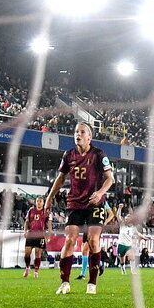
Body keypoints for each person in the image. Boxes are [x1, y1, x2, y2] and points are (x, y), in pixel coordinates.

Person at [45, 123, 114, 295]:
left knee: (93, 240)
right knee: (69, 240)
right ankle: (65, 282)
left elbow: (110, 179)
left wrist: (100, 192)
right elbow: (61, 178)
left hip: (95, 203)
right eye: (76, 131)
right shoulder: (68, 155)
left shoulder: (99, 154)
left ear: (89, 137)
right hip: (74, 203)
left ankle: (92, 283)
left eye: (82, 132)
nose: (78, 134)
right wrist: (49, 197)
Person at [110, 204, 147, 274]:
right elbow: (118, 216)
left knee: (131, 257)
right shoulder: (122, 225)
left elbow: (138, 233)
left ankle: (133, 271)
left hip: (128, 246)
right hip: (121, 245)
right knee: (122, 261)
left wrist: (144, 237)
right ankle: (122, 268)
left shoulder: (133, 228)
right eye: (126, 219)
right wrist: (119, 208)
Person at [22, 196, 50, 279]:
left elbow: (47, 225)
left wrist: (47, 236)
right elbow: (27, 222)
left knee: (38, 253)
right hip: (31, 234)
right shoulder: (31, 210)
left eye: (40, 201)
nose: (39, 202)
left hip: (40, 235)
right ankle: (27, 268)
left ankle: (36, 271)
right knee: (27, 253)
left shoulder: (45, 212)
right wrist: (25, 231)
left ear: (43, 203)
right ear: (36, 202)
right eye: (37, 201)